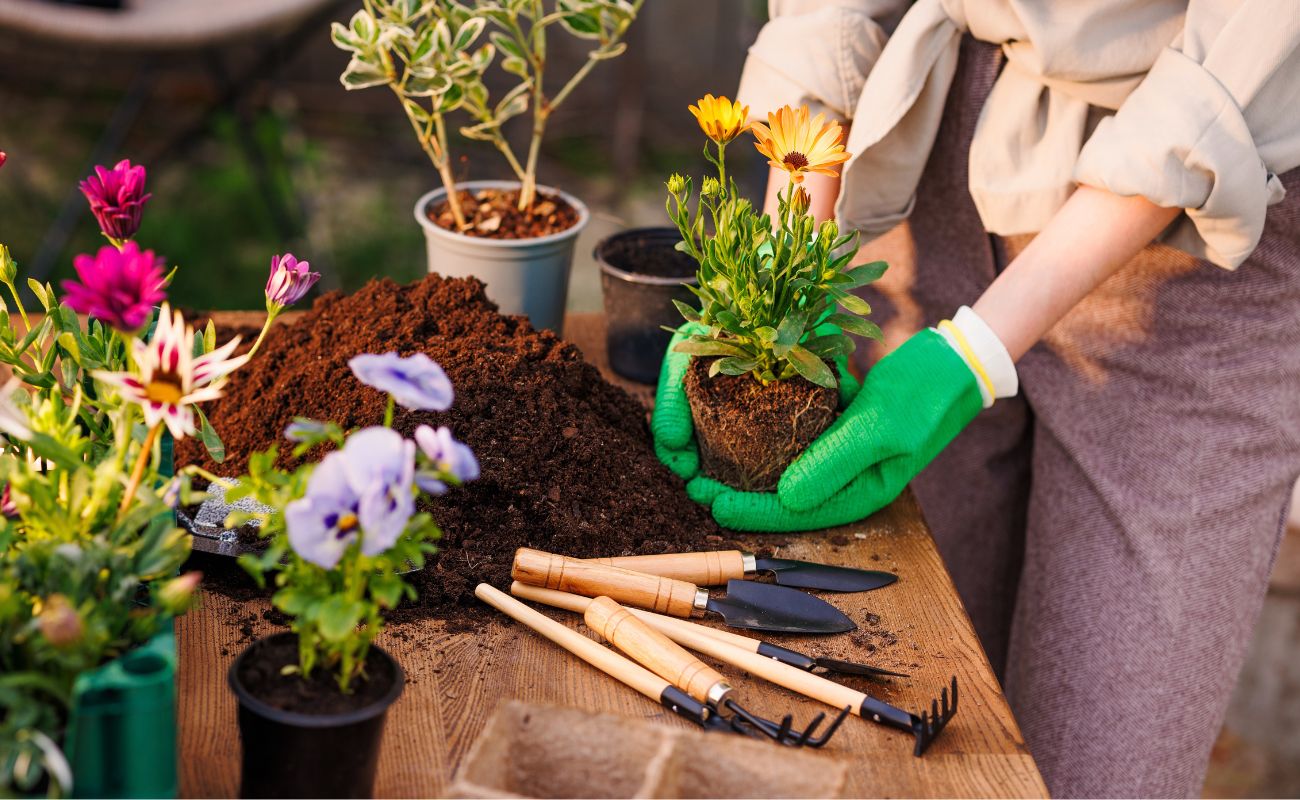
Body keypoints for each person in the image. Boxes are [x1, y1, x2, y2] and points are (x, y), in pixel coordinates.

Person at [650, 1, 1300, 797]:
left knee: (1101, 772)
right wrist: (781, 264)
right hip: (927, 169)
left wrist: (973, 353)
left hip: (1193, 249)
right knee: (894, 728)